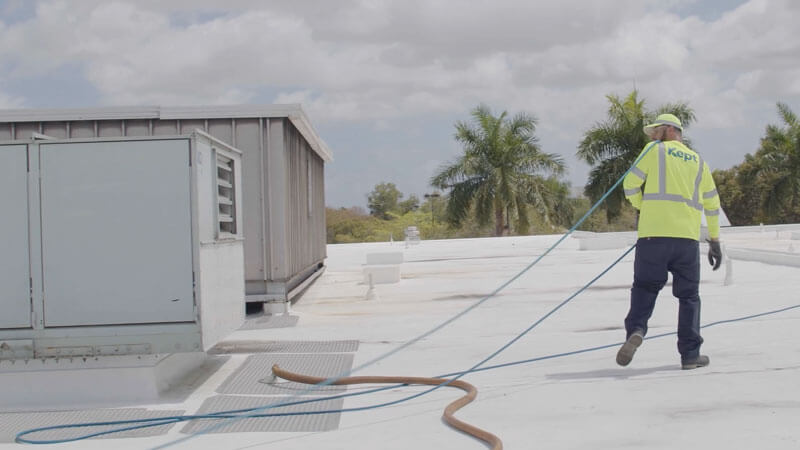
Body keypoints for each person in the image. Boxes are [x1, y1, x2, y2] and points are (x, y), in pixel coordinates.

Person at [616, 113, 723, 370]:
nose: (653, 136)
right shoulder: (698, 162)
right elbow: (712, 203)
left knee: (645, 287)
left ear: (669, 130)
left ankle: (637, 330)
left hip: (653, 237)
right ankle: (690, 355)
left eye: (656, 131)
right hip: (686, 240)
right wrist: (715, 240)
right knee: (689, 298)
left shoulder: (654, 150)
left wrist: (645, 207)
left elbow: (630, 184)